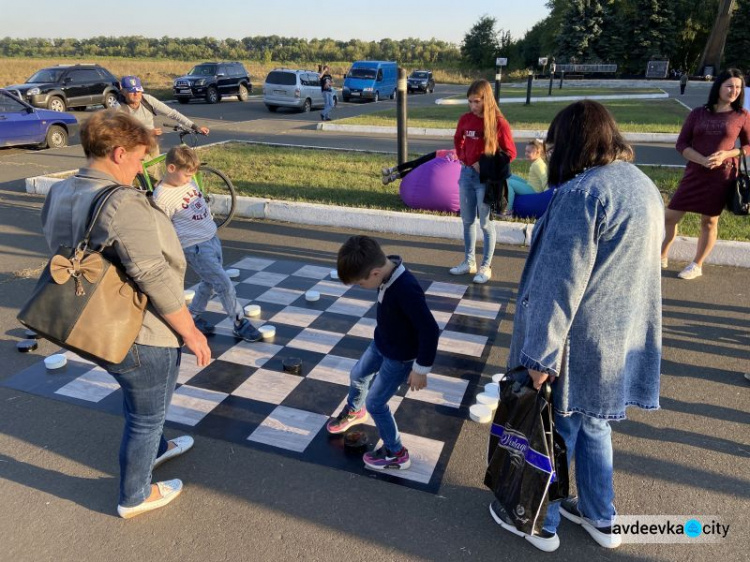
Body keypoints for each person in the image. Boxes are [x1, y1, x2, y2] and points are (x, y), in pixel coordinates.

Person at [491, 100, 663, 552]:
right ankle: (599, 515)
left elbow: (558, 284)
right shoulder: (642, 184)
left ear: (569, 143)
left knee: (555, 426)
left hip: (576, 339)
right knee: (595, 425)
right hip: (619, 336)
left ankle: (540, 521)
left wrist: (539, 358)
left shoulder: (580, 194)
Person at [40, 110, 212, 519]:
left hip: (88, 320)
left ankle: (159, 446)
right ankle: (135, 495)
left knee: (145, 401)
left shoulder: (60, 192)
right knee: (146, 413)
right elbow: (151, 274)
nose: (141, 168)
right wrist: (191, 332)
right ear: (118, 153)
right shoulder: (124, 202)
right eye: (138, 158)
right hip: (140, 328)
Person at [326, 235, 439, 471]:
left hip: (400, 357)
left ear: (375, 273)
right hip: (382, 342)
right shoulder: (386, 274)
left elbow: (430, 329)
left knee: (376, 403)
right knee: (357, 375)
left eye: (360, 283)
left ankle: (396, 452)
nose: (361, 287)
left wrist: (421, 368)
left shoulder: (406, 288)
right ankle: (355, 411)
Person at [152, 145, 262, 342]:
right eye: (186, 175)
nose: (190, 179)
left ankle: (192, 317)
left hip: (212, 238)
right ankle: (239, 322)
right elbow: (164, 229)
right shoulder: (162, 196)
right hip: (195, 248)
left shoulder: (188, 182)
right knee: (224, 283)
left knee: (209, 283)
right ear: (171, 169)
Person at [661, 68, 750, 280]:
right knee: (670, 216)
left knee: (709, 222)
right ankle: (661, 255)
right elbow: (681, 144)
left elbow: (748, 145)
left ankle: (696, 264)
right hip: (695, 173)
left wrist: (728, 153)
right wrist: (701, 159)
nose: (734, 91)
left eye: (738, 87)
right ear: (718, 87)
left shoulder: (742, 115)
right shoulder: (698, 113)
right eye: (729, 86)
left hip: (722, 175)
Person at [451, 79, 517, 284]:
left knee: (486, 223)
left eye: (477, 101)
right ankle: (468, 262)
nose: (473, 106)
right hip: (466, 175)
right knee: (467, 221)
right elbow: (457, 140)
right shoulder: (465, 119)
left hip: (486, 180)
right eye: (470, 102)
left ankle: (486, 266)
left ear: (486, 100)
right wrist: (464, 158)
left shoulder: (499, 123)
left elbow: (511, 153)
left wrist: (486, 163)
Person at [117, 75, 209, 139]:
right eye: (131, 91)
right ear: (123, 92)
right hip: (131, 150)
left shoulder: (147, 100)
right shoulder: (118, 108)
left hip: (150, 145)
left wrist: (195, 127)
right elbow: (119, 134)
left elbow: (173, 114)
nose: (136, 94)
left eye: (138, 90)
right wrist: (148, 133)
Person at [504, 139, 548, 215]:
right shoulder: (536, 162)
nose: (526, 154)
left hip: (535, 191)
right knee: (510, 176)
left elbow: (545, 178)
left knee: (509, 183)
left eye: (529, 152)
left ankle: (508, 211)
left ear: (537, 152)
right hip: (531, 185)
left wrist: (546, 194)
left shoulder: (538, 165)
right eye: (526, 151)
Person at [381, 149, 457, 185]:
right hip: (437, 154)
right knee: (415, 163)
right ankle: (391, 170)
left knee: (415, 170)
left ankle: (394, 177)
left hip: (437, 163)